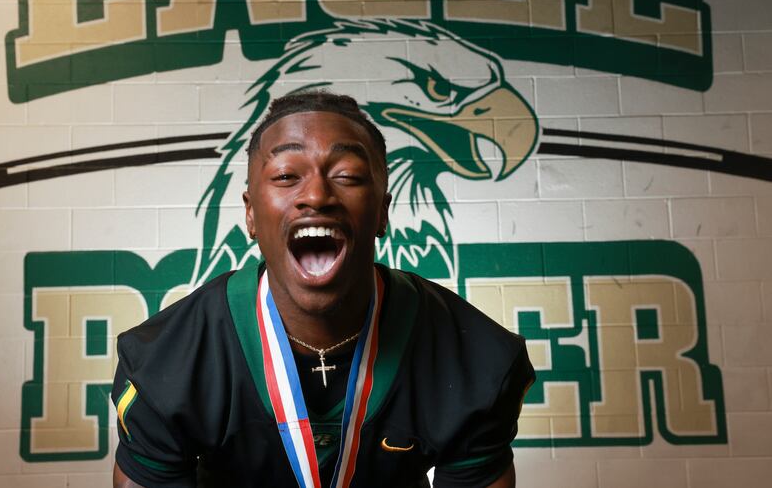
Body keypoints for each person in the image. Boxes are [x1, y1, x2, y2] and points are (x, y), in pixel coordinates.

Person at [111, 91, 535, 487]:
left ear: (382, 212)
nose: (316, 194)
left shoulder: (478, 358)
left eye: (347, 175)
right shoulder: (164, 364)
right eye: (285, 175)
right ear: (251, 215)